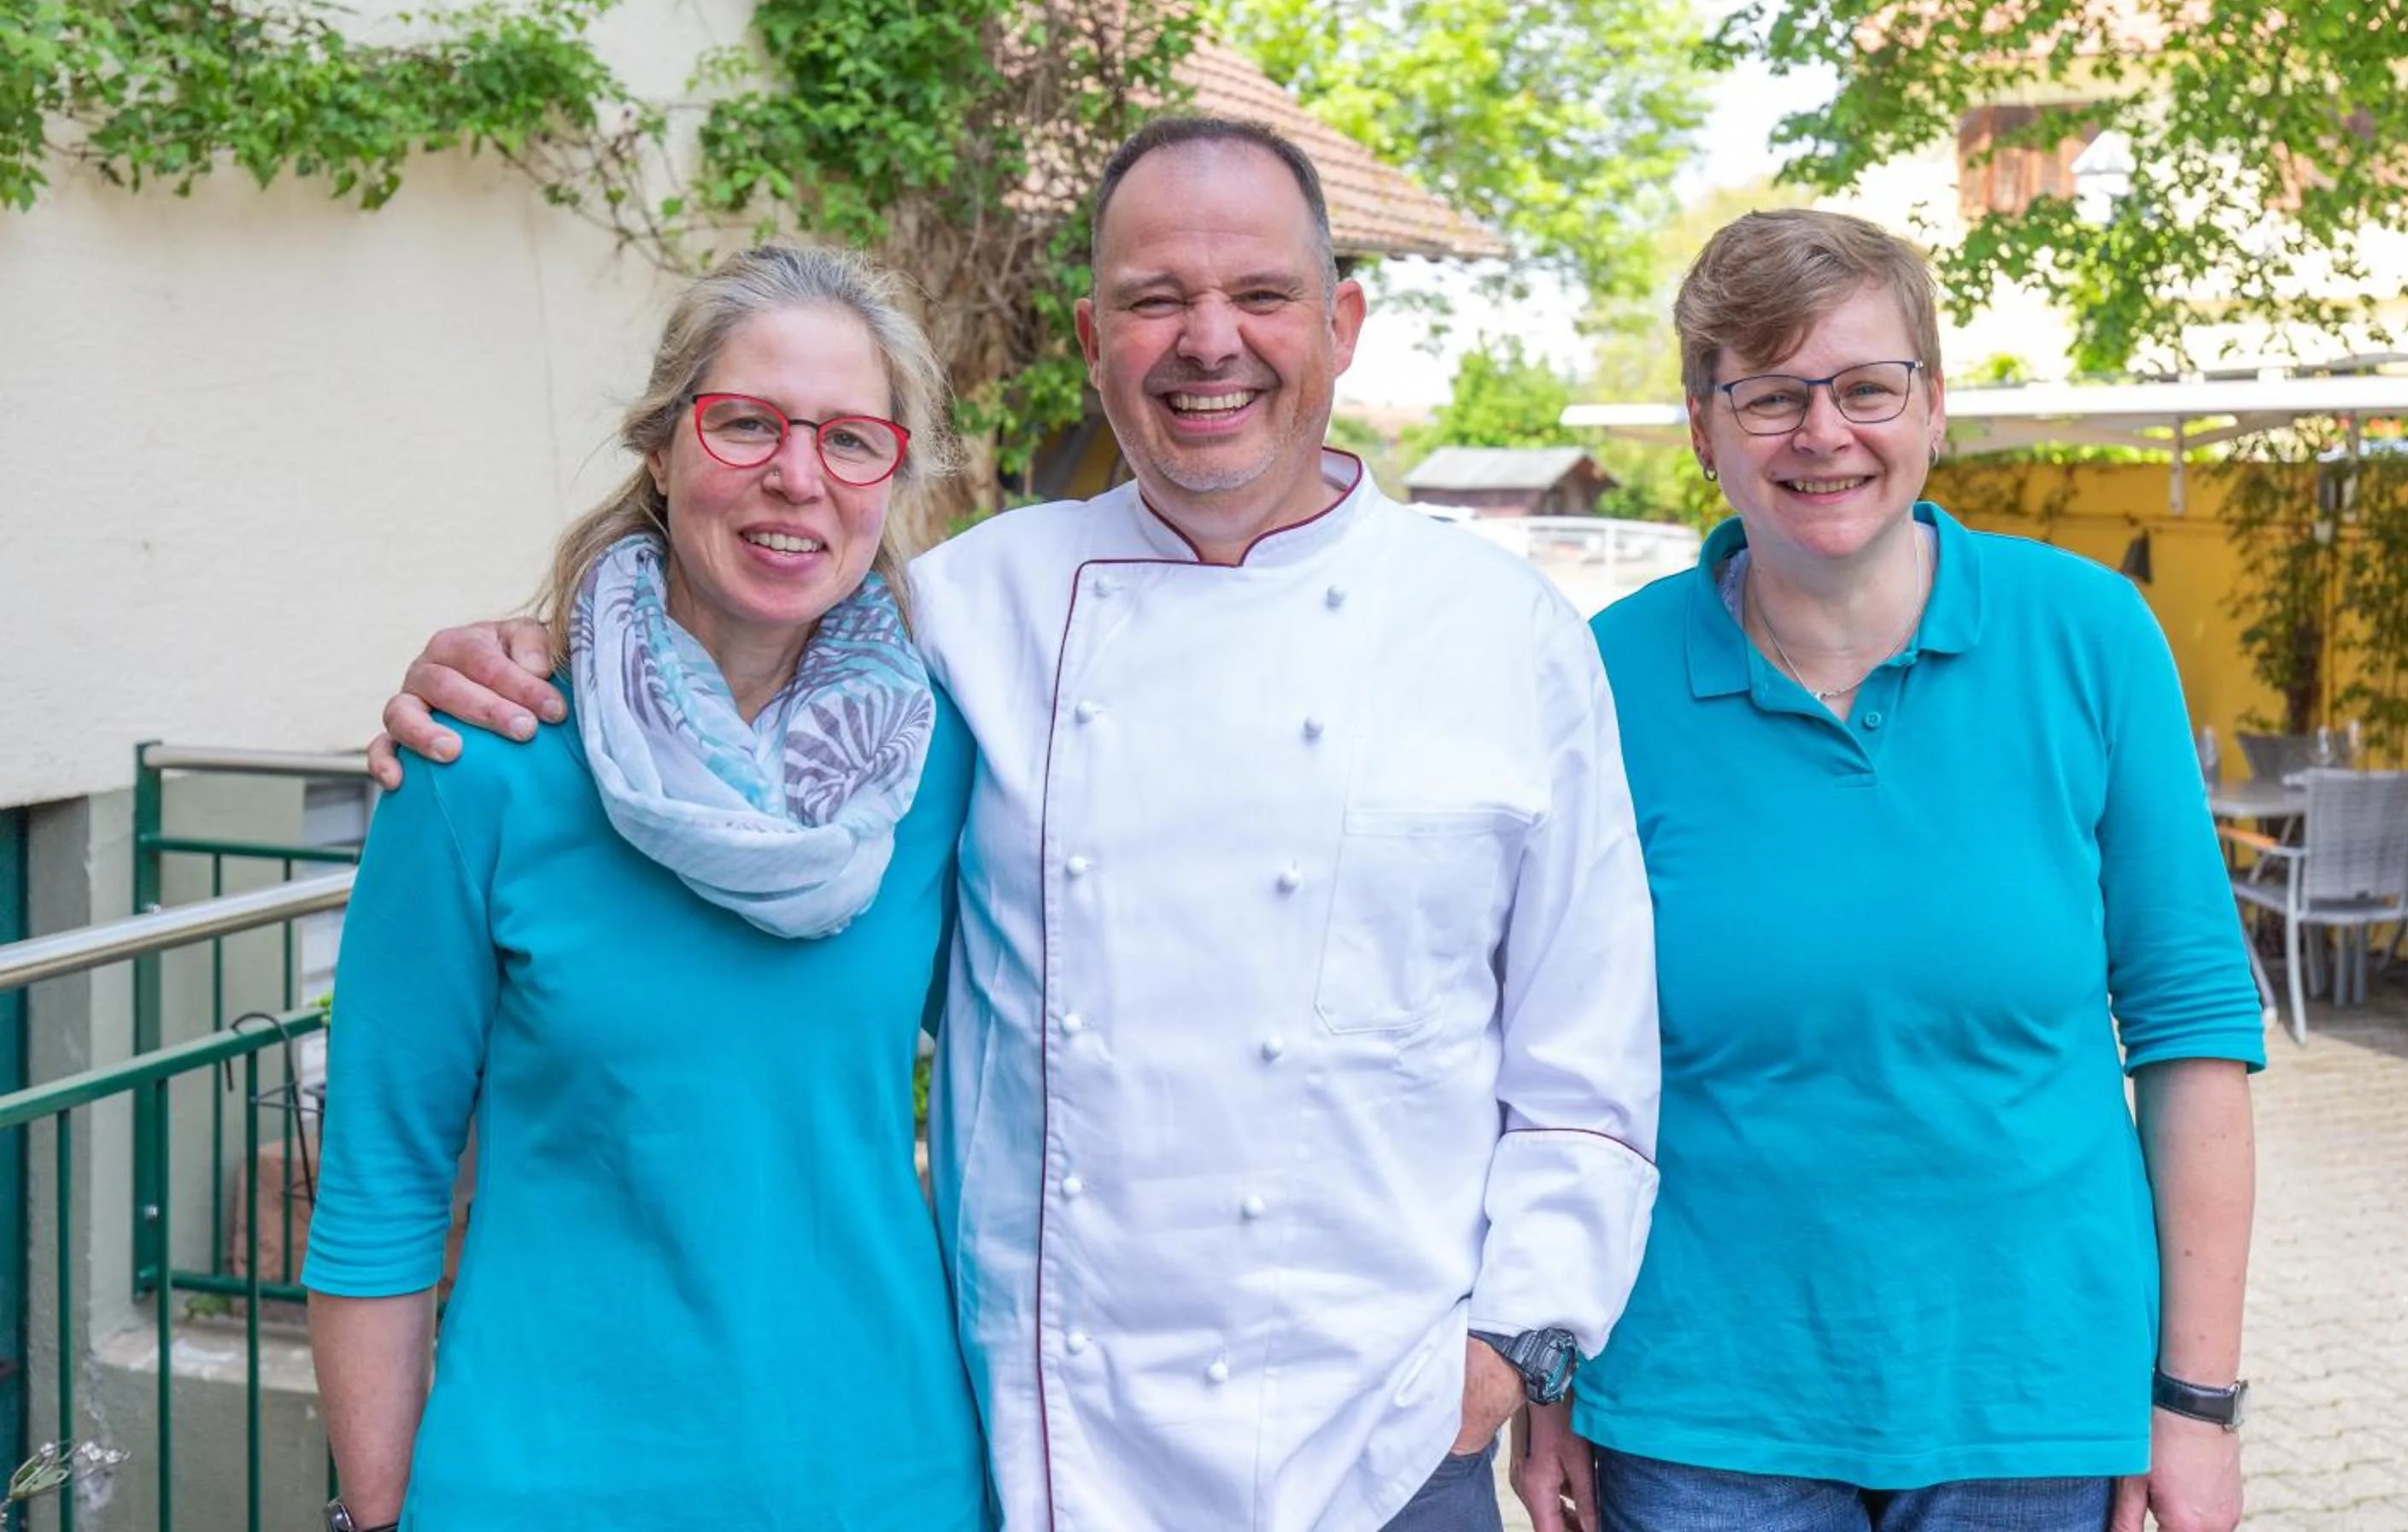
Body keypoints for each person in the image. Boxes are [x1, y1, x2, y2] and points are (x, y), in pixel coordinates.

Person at [367, 117, 1663, 1532]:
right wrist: (510, 664)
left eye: (1262, 296)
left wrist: (1507, 1352)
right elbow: (721, 679)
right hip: (1053, 1449)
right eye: (1156, 299)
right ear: (1093, 334)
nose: (1207, 341)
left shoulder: (1505, 634)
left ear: (1343, 322)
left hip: (1386, 1449)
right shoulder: (955, 620)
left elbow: (1585, 1063)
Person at [1508, 209, 2261, 1532]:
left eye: (1866, 387)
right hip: (1700, 1411)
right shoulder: (1601, 678)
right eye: (1771, 395)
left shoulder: (2088, 637)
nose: (1824, 432)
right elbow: (1544, 1057)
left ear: (1933, 407)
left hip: (2029, 1402)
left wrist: (2192, 1405)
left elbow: (2193, 1029)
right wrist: (1544, 1364)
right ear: (1703, 427)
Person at [303, 245, 993, 1532]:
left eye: (851, 440)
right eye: (745, 425)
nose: (798, 477)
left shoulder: (943, 768)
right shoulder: (481, 763)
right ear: (663, 448)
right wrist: (380, 1510)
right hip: (543, 1483)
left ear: (891, 477)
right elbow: (381, 1173)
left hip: (884, 1475)